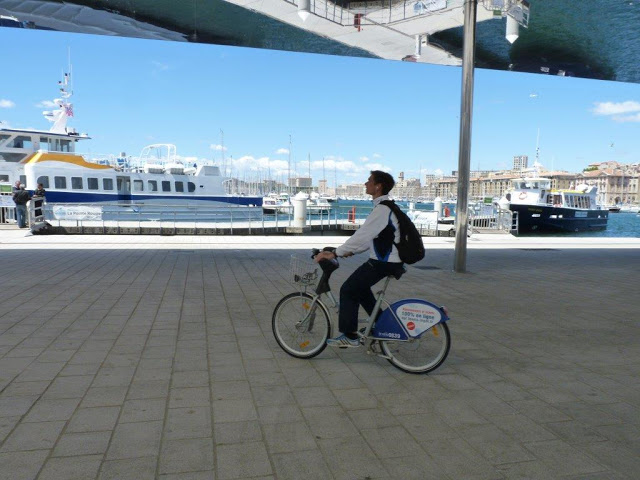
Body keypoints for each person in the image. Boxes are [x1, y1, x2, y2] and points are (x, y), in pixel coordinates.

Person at [314, 170, 404, 347]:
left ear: (378, 186)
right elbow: (370, 239)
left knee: (348, 289)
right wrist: (349, 251)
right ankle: (381, 324)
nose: (365, 183)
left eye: (369, 180)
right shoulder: (385, 207)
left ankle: (350, 335)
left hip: (384, 262)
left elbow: (362, 236)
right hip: (388, 261)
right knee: (360, 289)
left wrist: (335, 253)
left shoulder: (382, 209)